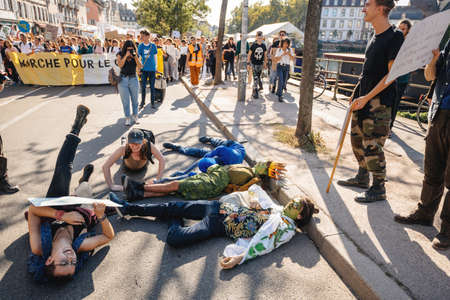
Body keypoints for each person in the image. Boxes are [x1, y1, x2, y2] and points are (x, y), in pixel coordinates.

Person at [109, 184, 318, 269]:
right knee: (173, 205)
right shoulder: (278, 210)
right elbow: (257, 190)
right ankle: (127, 208)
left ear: (299, 214)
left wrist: (240, 258)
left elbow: (265, 245)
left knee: (175, 238)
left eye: (296, 204)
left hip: (217, 224)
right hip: (218, 206)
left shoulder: (285, 230)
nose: (291, 201)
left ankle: (172, 217)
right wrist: (253, 199)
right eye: (294, 199)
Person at [26, 105, 115, 283]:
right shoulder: (79, 246)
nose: (71, 257)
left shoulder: (39, 246)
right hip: (82, 210)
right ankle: (84, 180)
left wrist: (63, 215)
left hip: (54, 209)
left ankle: (76, 127)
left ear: (49, 260)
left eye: (64, 262)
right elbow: (108, 236)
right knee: (85, 191)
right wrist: (101, 217)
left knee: (62, 173)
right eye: (73, 262)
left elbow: (34, 209)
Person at [337, 0, 404, 203]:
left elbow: (392, 75)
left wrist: (367, 97)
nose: (363, 8)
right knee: (357, 141)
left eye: (367, 4)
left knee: (373, 146)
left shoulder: (395, 36)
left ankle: (378, 188)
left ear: (381, 8)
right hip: (363, 100)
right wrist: (357, 93)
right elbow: (367, 72)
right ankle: (361, 177)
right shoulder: (374, 37)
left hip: (380, 104)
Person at [394, 40, 450, 250]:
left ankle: (447, 231)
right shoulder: (448, 45)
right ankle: (424, 213)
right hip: (438, 115)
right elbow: (429, 76)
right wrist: (433, 60)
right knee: (432, 171)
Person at [121, 160, 285, 201]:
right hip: (211, 177)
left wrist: (276, 188)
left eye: (266, 165)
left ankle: (138, 186)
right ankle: (138, 194)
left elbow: (253, 193)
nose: (262, 163)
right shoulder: (248, 168)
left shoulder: (253, 179)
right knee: (173, 189)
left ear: (265, 171)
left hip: (212, 184)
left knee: (176, 185)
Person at [162, 136, 246, 179]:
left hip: (230, 159)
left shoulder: (226, 169)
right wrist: (207, 157)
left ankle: (179, 148)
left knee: (204, 155)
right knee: (205, 151)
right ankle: (210, 139)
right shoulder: (223, 150)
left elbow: (207, 173)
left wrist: (190, 174)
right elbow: (210, 154)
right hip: (231, 146)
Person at [390, 19, 412, 135]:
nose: (400, 31)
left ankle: (389, 127)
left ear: (408, 31)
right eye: (399, 28)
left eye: (403, 29)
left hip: (402, 78)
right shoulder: (395, 40)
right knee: (388, 101)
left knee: (395, 103)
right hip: (391, 76)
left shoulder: (409, 44)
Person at [117, 40, 142, 126]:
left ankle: (135, 116)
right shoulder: (120, 54)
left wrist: (135, 57)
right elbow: (120, 65)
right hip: (123, 79)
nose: (130, 50)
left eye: (131, 49)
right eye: (128, 49)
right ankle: (127, 117)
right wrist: (126, 56)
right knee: (125, 101)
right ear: (125, 48)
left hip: (133, 79)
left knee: (135, 100)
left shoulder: (136, 54)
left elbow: (140, 66)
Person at [138, 30, 158, 109]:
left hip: (152, 69)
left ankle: (152, 103)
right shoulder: (140, 46)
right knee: (143, 87)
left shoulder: (153, 46)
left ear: (147, 36)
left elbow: (155, 57)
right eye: (141, 36)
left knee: (152, 87)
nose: (141, 38)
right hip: (144, 69)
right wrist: (139, 67)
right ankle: (142, 102)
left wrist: (156, 67)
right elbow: (139, 57)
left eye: (142, 36)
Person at [248, 31, 267, 99]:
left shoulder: (263, 45)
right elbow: (249, 54)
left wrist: (265, 63)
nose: (260, 39)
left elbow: (265, 55)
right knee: (255, 77)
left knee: (258, 76)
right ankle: (255, 91)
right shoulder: (253, 45)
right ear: (256, 37)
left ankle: (258, 86)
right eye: (258, 37)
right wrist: (248, 63)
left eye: (261, 37)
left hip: (260, 63)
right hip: (254, 63)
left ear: (262, 38)